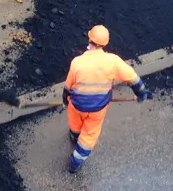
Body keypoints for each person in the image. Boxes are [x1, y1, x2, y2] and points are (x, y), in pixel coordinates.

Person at [63, 25, 150, 173]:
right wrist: (141, 94)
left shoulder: (77, 62)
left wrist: (65, 100)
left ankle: (74, 137)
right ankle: (75, 162)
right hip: (98, 109)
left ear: (89, 39)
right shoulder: (113, 61)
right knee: (89, 135)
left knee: (75, 124)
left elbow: (67, 86)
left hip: (77, 105)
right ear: (105, 44)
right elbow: (133, 78)